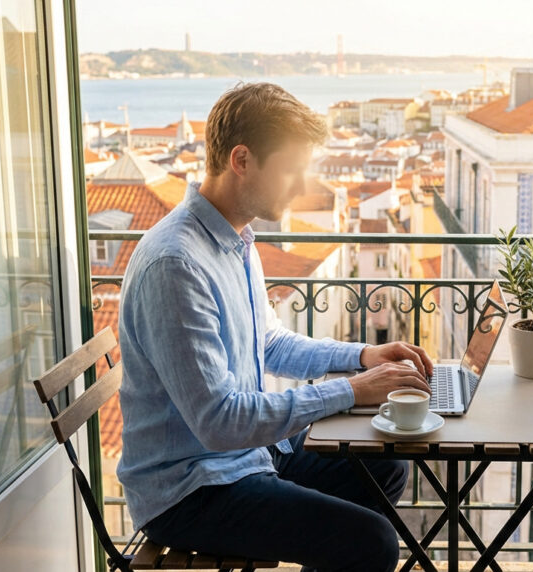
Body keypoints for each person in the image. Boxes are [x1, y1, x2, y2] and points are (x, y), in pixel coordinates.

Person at [116, 82, 435, 572]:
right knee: (373, 543)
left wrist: (361, 357)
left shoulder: (235, 238)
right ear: (241, 160)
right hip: (190, 487)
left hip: (245, 456)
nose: (302, 187)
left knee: (385, 465)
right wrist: (353, 390)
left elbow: (267, 342)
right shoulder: (175, 265)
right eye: (291, 170)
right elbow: (219, 421)